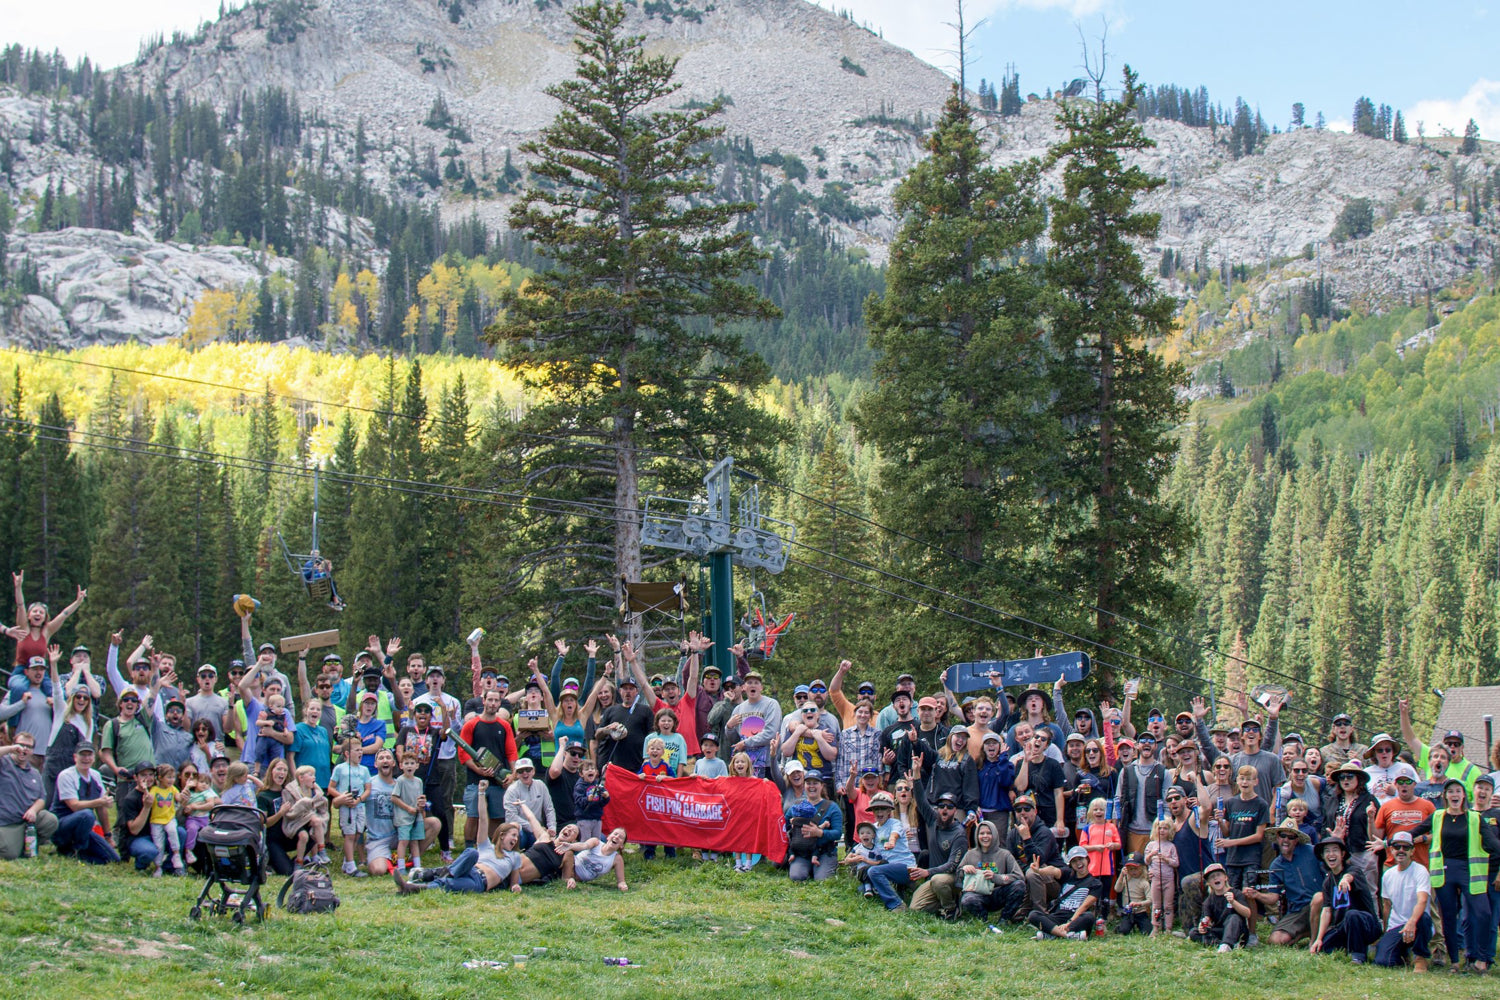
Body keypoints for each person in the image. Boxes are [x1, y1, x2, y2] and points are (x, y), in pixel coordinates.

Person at [1411, 777, 1500, 973]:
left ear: (1464, 795)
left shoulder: (1475, 818)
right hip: (1444, 873)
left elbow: (1494, 845)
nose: (1454, 795)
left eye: (1458, 791)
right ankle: (1454, 962)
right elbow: (1414, 832)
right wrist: (1387, 842)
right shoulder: (1437, 816)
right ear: (1445, 795)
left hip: (1470, 872)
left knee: (1483, 913)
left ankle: (1482, 960)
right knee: (1449, 918)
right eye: (1450, 791)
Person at [395, 794, 523, 894]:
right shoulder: (487, 846)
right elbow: (483, 820)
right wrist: (481, 793)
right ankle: (444, 873)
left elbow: (513, 883)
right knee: (472, 852)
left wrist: (515, 887)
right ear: (502, 835)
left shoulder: (514, 857)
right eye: (513, 835)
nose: (516, 839)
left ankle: (412, 887)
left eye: (517, 836)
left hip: (479, 882)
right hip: (470, 869)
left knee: (449, 884)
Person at [1244, 818, 1322, 947]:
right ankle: (1305, 932)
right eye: (1283, 835)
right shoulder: (1276, 864)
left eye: (1291, 837)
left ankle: (1314, 941)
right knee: (1275, 940)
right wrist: (1256, 895)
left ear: (1296, 840)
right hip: (1297, 910)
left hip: (1320, 905)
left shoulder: (1311, 851)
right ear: (1277, 838)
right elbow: (1273, 898)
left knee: (1318, 898)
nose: (1286, 840)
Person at [1309, 836, 1381, 963]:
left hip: (1366, 924)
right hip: (1343, 926)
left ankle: (1358, 956)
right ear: (1323, 855)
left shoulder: (1354, 870)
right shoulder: (1328, 881)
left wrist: (1345, 880)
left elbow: (1350, 876)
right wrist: (1319, 939)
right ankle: (1348, 947)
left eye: (1335, 850)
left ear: (1342, 854)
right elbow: (1326, 911)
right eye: (1327, 851)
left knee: (1352, 915)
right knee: (1323, 947)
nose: (1331, 854)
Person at [1373, 830, 1432, 970]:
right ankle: (1403, 954)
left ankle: (1420, 957)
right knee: (1382, 961)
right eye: (1397, 847)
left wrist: (1411, 922)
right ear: (1391, 851)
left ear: (1412, 851)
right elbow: (1386, 905)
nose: (1401, 851)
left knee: (1424, 918)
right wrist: (1387, 931)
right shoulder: (1388, 875)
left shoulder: (1420, 871)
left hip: (1417, 923)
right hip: (1397, 926)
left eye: (1406, 847)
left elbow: (1422, 900)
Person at [52, 743, 118, 864]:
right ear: (75, 757)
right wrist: (99, 802)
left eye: (89, 755)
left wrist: (107, 835)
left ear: (94, 758)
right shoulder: (66, 775)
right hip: (63, 825)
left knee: (112, 859)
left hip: (85, 828)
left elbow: (101, 808)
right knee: (87, 814)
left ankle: (78, 855)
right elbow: (74, 806)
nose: (86, 758)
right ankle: (73, 848)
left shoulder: (96, 775)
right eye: (82, 755)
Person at [8, 573, 85, 668]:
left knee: (49, 683)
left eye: (41, 612)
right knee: (19, 684)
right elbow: (20, 606)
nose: (38, 614)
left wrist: (77, 602)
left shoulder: (47, 631)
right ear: (28, 616)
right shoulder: (23, 628)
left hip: (40, 671)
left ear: (45, 617)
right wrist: (18, 587)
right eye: (35, 611)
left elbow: (64, 614)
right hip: (21, 670)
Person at [955, 819, 1027, 921]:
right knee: (967, 899)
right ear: (977, 835)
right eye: (982, 833)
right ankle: (982, 919)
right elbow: (957, 877)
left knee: (1019, 885)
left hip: (997, 894)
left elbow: (1019, 876)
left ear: (995, 835)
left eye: (989, 833)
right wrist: (964, 869)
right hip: (977, 894)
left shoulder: (1005, 854)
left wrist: (997, 877)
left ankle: (1004, 919)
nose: (985, 836)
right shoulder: (970, 854)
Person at [1326, 760, 1379, 896]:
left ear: (1359, 779)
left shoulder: (1369, 800)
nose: (1345, 780)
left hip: (1363, 852)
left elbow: (1378, 832)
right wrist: (1333, 838)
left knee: (1368, 891)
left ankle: (1373, 917)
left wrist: (1371, 818)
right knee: (1341, 890)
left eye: (1349, 776)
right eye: (1342, 777)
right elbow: (1325, 825)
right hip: (1340, 853)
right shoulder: (1334, 799)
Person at [0, 734, 57, 859]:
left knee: (50, 820)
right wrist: (10, 749)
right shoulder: (3, 763)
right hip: (6, 823)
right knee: (9, 854)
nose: (24, 749)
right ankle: (21, 846)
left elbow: (42, 798)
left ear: (32, 751)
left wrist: (33, 810)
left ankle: (27, 845)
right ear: (14, 744)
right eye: (21, 745)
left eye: (28, 747)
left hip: (27, 822)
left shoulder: (34, 773)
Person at [1027, 846, 1101, 940]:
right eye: (1074, 861)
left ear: (1087, 859)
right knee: (1033, 915)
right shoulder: (1068, 874)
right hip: (1058, 916)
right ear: (1071, 864)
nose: (1078, 863)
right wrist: (1040, 871)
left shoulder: (1095, 883)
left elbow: (1085, 906)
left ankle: (1051, 934)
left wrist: (1069, 922)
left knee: (1089, 917)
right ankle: (1068, 935)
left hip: (1076, 918)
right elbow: (1053, 870)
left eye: (1081, 859)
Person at [1008, 793, 1064, 915]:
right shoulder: (1013, 834)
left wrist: (1027, 838)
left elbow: (1037, 861)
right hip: (1025, 877)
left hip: (1053, 883)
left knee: (1032, 872)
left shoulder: (1045, 833)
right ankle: (1023, 909)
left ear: (1035, 811)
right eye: (1018, 809)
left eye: (1027, 809)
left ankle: (1040, 915)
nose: (1022, 812)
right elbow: (1011, 861)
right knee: (1015, 874)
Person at [863, 790, 917, 911]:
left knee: (874, 872)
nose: (879, 812)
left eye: (882, 809)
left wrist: (892, 842)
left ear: (889, 811)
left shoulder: (895, 823)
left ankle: (897, 904)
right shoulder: (874, 828)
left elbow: (894, 834)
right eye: (876, 809)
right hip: (888, 866)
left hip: (905, 866)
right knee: (863, 884)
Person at [786, 771, 841, 882]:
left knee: (822, 879)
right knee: (797, 877)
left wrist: (820, 833)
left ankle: (822, 867)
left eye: (815, 783)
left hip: (824, 852)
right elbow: (784, 824)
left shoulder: (832, 807)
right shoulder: (797, 806)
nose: (811, 786)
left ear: (822, 786)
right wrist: (792, 825)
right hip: (802, 851)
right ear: (804, 786)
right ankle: (804, 867)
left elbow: (838, 833)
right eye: (808, 783)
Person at [328, 737, 371, 876]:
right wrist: (342, 797)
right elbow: (331, 788)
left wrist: (359, 799)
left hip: (359, 806)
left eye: (361, 750)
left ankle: (347, 862)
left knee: (358, 832)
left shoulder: (364, 770)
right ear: (347, 753)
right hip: (346, 807)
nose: (360, 753)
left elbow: (368, 789)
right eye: (356, 750)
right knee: (349, 834)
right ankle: (351, 866)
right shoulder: (340, 769)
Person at [1192, 863, 1253, 951]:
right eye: (1212, 877)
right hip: (1220, 930)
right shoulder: (1208, 901)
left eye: (1218, 875)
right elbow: (1207, 919)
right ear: (1209, 883)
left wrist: (1233, 902)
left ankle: (1227, 944)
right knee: (1194, 932)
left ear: (1225, 878)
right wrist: (1202, 926)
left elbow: (1248, 913)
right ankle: (1221, 944)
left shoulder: (1236, 893)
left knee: (1233, 917)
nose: (1216, 878)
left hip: (1237, 930)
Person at [115, 767, 163, 873]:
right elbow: (134, 830)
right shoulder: (130, 799)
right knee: (149, 851)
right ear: (135, 778)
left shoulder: (159, 793)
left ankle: (168, 867)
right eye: (143, 775)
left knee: (180, 833)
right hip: (137, 838)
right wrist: (146, 807)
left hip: (158, 833)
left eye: (151, 775)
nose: (148, 778)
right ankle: (141, 867)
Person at [146, 762, 186, 876]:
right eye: (168, 777)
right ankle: (158, 867)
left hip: (169, 819)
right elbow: (151, 798)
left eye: (173, 777)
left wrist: (183, 795)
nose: (171, 780)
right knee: (158, 844)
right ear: (160, 778)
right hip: (156, 821)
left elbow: (178, 798)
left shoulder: (173, 789)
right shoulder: (154, 789)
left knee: (173, 832)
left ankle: (176, 854)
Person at [391, 751, 428, 873]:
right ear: (401, 766)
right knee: (404, 841)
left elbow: (419, 798)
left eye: (412, 763)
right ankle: (401, 867)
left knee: (414, 841)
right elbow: (394, 798)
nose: (409, 766)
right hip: (403, 817)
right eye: (406, 763)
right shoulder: (400, 781)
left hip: (416, 817)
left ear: (417, 766)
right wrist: (408, 808)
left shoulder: (419, 781)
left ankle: (417, 866)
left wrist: (421, 807)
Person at [565, 825, 629, 891]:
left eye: (621, 837)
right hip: (569, 867)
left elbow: (621, 881)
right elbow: (583, 845)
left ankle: (569, 879)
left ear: (622, 846)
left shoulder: (617, 859)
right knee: (569, 853)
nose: (617, 837)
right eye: (615, 834)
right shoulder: (596, 842)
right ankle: (567, 878)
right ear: (608, 836)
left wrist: (623, 886)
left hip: (578, 879)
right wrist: (570, 846)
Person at [1144, 817, 1179, 935]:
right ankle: (1156, 927)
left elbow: (1176, 862)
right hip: (1155, 878)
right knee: (1156, 904)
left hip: (1168, 878)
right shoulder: (1151, 845)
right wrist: (1151, 855)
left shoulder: (1171, 846)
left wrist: (1166, 858)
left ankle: (1168, 928)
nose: (1162, 831)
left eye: (1165, 828)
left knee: (1168, 904)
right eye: (1160, 828)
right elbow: (1146, 861)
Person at [1114, 852, 1153, 935]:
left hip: (1140, 912)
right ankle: (1120, 927)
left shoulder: (1144, 883)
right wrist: (1121, 875)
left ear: (1142, 868)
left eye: (1136, 869)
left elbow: (1150, 900)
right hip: (1127, 912)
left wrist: (1139, 904)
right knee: (1124, 930)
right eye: (1130, 869)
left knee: (1147, 932)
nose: (1133, 871)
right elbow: (1117, 889)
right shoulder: (1126, 880)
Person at [572, 756, 608, 842]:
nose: (590, 770)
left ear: (596, 772)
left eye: (592, 769)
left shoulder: (598, 785)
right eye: (587, 769)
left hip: (597, 818)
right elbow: (578, 800)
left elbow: (602, 803)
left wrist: (606, 797)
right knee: (585, 841)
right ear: (581, 774)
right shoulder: (580, 786)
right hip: (584, 818)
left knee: (596, 841)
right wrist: (587, 799)